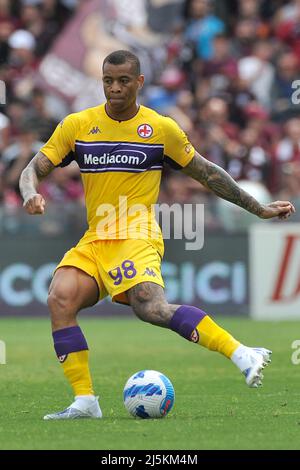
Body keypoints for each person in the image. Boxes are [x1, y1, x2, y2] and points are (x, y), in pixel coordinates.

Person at [19, 50, 295, 420]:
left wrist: (257, 208)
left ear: (139, 82)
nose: (114, 89)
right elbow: (32, 169)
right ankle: (85, 402)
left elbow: (208, 173)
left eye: (123, 81)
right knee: (60, 298)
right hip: (96, 238)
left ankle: (242, 352)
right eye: (108, 81)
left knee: (150, 307)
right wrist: (29, 193)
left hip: (137, 233)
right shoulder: (78, 125)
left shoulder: (160, 128)